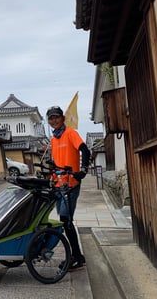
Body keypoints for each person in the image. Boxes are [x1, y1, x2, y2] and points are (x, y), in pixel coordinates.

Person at [46, 105, 91, 269]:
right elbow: (56, 162)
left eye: (56, 117)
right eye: (51, 118)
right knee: (64, 220)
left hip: (71, 184)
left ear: (62, 118)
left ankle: (77, 257)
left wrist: (83, 170)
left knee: (66, 221)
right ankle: (78, 256)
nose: (54, 121)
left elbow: (85, 150)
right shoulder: (53, 139)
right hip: (58, 184)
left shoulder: (70, 133)